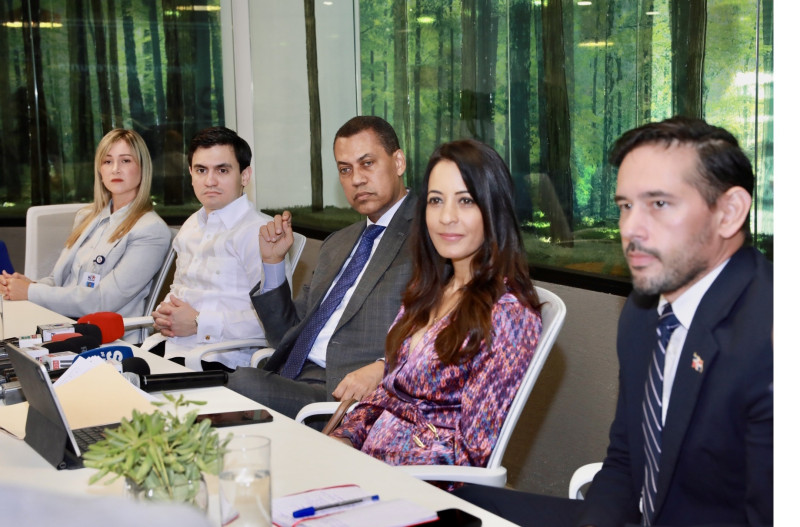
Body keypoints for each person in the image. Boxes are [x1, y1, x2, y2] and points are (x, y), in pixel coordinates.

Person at [454, 116, 773, 526]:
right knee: (457, 506)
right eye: (625, 206)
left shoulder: (770, 335)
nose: (630, 229)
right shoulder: (644, 310)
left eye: (659, 204)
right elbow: (624, 459)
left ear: (729, 212)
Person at [327, 139, 542, 487]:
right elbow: (388, 393)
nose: (446, 218)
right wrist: (345, 437)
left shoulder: (508, 317)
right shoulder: (428, 292)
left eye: (466, 201)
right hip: (366, 471)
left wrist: (377, 475)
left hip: (417, 491)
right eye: (436, 200)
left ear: (494, 209)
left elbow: (471, 455)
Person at [225, 116, 416, 418]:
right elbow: (283, 335)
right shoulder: (339, 243)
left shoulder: (430, 237)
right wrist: (273, 264)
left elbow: (439, 332)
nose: (356, 179)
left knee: (233, 385)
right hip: (295, 378)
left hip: (349, 395)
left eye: (367, 164)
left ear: (399, 162)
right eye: (345, 169)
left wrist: (384, 366)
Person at [0, 129, 171, 342]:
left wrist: (31, 292)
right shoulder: (87, 217)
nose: (115, 169)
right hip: (64, 326)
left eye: (125, 161)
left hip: (109, 340)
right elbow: (59, 280)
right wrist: (26, 285)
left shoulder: (151, 230)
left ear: (143, 168)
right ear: (99, 170)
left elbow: (102, 301)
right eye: (107, 162)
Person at [144, 126, 279, 371]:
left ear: (245, 176)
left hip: (220, 359)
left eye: (223, 170)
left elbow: (273, 323)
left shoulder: (260, 233)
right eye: (201, 170)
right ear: (191, 174)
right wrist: (167, 314)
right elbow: (180, 289)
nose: (210, 181)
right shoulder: (191, 225)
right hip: (170, 345)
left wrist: (199, 322)